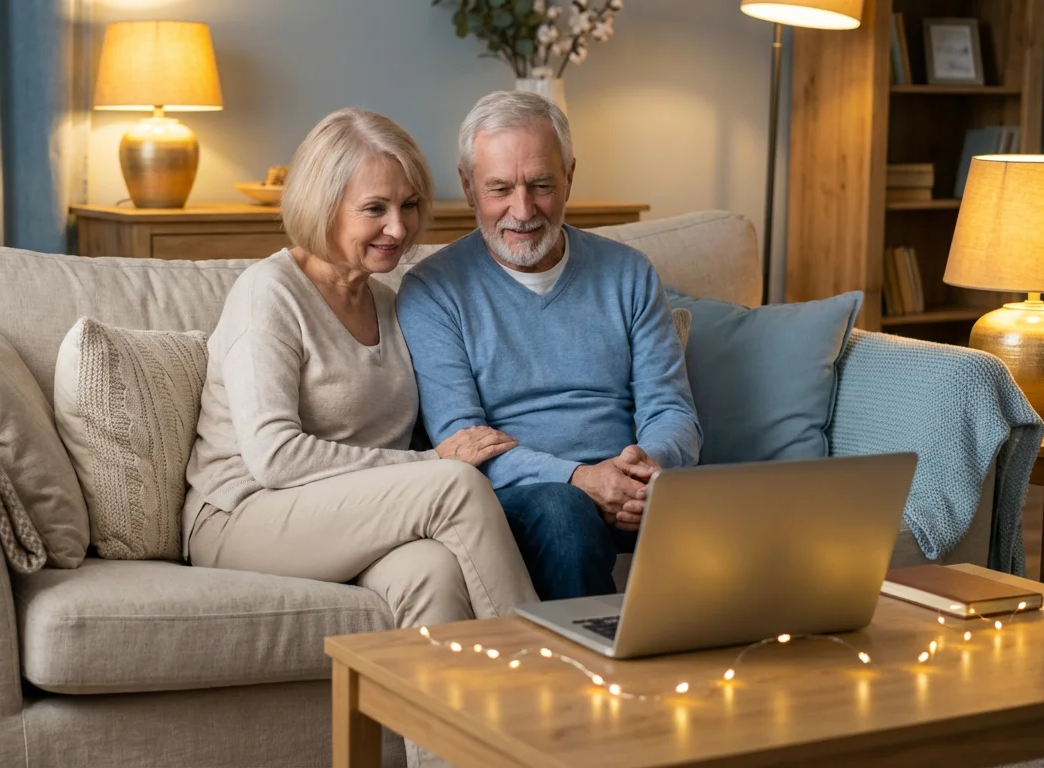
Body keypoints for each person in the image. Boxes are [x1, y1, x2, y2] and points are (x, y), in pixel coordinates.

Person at [183, 107, 539, 636]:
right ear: (322, 205)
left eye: (409, 205)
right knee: (453, 486)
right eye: (375, 208)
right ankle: (552, 679)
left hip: (347, 518)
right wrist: (428, 463)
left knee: (434, 574)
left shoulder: (391, 302)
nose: (398, 228)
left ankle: (442, 721)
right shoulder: (269, 295)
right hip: (244, 515)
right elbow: (275, 458)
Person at [396, 91, 703, 601]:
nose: (522, 210)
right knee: (564, 514)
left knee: (750, 509)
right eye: (499, 189)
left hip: (630, 483)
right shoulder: (433, 289)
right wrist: (581, 478)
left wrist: (646, 469)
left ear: (569, 177)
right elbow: (461, 440)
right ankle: (588, 678)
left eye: (541, 184)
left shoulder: (628, 273)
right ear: (469, 187)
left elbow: (671, 407)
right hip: (522, 496)